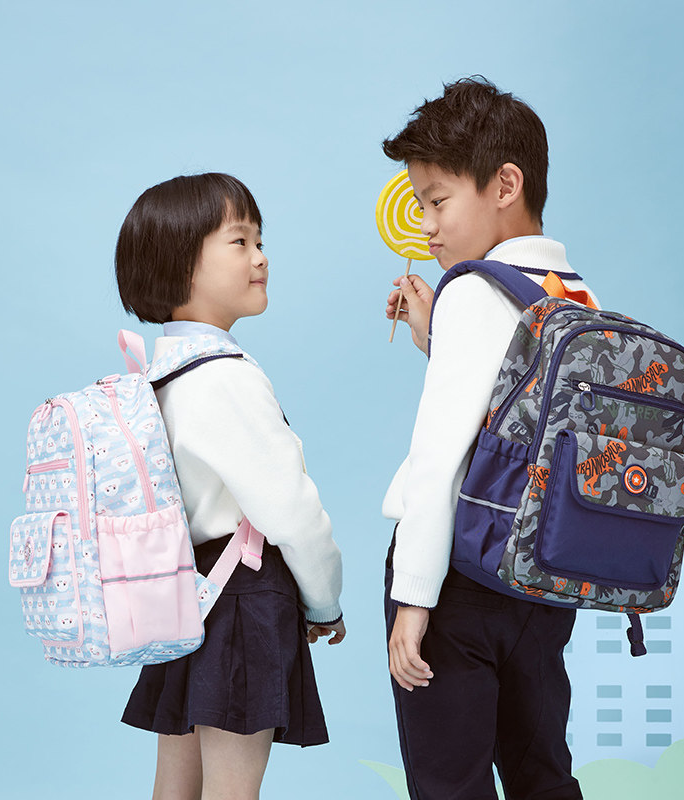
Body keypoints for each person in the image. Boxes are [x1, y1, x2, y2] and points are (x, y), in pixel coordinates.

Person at [381, 77, 596, 800]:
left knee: (452, 783)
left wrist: (414, 598)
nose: (427, 226)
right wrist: (434, 338)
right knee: (542, 774)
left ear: (506, 184)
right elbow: (515, 411)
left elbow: (442, 454)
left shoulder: (471, 290)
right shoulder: (576, 294)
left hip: (459, 579)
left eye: (437, 201)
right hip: (543, 581)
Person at [114, 173, 345, 800]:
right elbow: (291, 510)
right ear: (179, 264)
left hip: (185, 593)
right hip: (241, 599)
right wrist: (325, 599)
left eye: (260, 241)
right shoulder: (227, 377)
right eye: (239, 242)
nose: (261, 257)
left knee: (174, 786)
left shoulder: (158, 375)